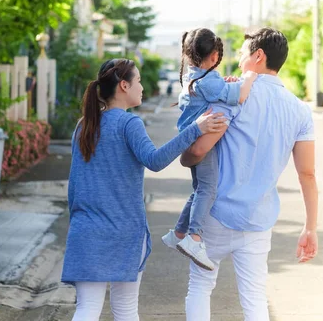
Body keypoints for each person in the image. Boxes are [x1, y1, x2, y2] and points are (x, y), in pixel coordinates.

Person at [61, 58, 226, 321]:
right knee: (125, 310)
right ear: (124, 86)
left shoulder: (83, 126)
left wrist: (80, 222)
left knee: (86, 309)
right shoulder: (129, 124)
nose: (142, 87)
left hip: (86, 231)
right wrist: (195, 129)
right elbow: (156, 160)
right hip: (124, 232)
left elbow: (74, 187)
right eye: (138, 81)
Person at [180, 28, 319, 321]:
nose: (239, 59)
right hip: (259, 220)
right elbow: (307, 173)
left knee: (201, 286)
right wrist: (310, 228)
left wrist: (185, 157)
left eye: (244, 53)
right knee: (255, 299)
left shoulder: (233, 98)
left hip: (215, 214)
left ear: (259, 56)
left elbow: (199, 150)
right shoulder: (300, 111)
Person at [161, 28, 257, 271]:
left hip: (190, 137)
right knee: (208, 189)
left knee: (199, 189)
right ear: (214, 56)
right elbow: (240, 96)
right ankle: (194, 237)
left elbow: (215, 91)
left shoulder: (192, 75)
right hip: (201, 139)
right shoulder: (209, 80)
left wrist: (225, 83)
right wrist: (250, 76)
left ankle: (179, 233)